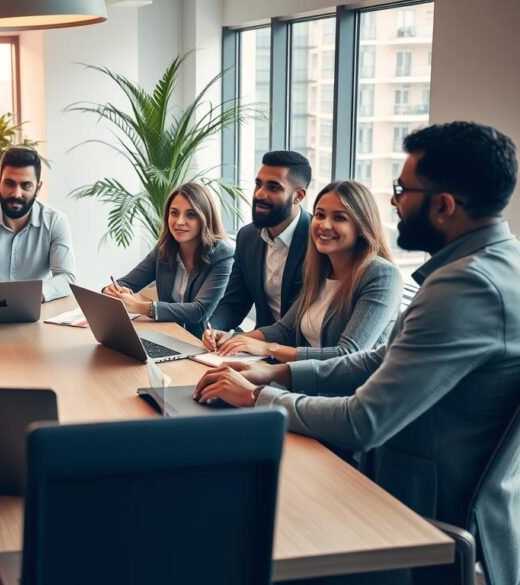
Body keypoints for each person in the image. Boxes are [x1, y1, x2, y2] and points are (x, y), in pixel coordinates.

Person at [194, 121, 520, 585]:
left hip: (413, 520)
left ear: (444, 206)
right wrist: (276, 376)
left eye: (402, 189)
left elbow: (362, 423)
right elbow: (379, 358)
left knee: (233, 529)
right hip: (415, 495)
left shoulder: (465, 286)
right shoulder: (495, 264)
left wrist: (255, 400)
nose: (393, 201)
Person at [208, 180, 402, 361]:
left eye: (339, 218)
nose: (324, 225)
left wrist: (268, 349)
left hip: (351, 394)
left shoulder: (381, 275)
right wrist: (233, 339)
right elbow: (286, 329)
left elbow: (347, 355)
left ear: (361, 227)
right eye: (320, 215)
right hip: (309, 385)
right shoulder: (320, 269)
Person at [102, 183, 234, 338]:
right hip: (170, 335)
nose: (179, 221)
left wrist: (139, 306)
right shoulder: (164, 249)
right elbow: (126, 283)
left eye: (190, 215)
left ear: (205, 218)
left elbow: (199, 311)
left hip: (206, 343)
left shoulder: (223, 255)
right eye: (174, 213)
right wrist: (114, 291)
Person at [0, 146, 76, 302]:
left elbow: (66, 277)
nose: (16, 193)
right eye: (10, 183)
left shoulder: (55, 222)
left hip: (37, 313)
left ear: (38, 187)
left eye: (26, 186)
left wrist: (26, 296)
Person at [208, 150, 313, 332]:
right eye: (258, 184)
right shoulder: (247, 237)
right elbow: (234, 304)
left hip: (303, 354)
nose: (260, 194)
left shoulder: (318, 241)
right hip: (258, 352)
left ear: (298, 196)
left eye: (273, 187)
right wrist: (214, 329)